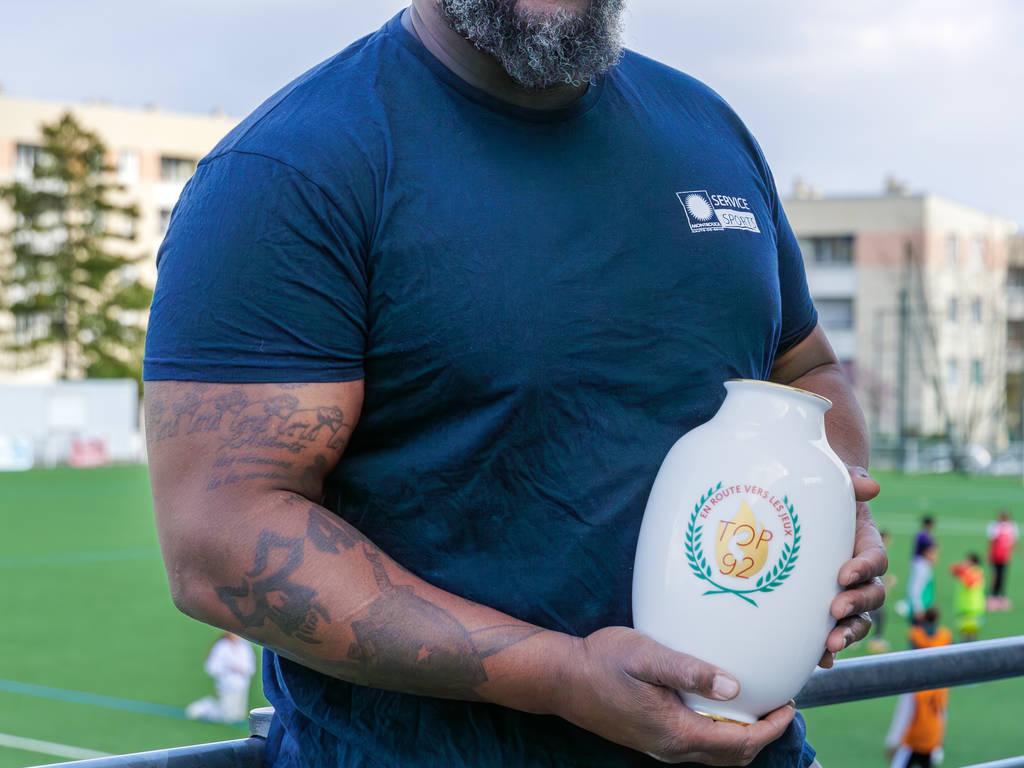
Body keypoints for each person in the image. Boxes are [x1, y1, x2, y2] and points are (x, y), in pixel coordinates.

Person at [142, 2, 887, 766]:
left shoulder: (710, 131)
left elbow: (805, 369)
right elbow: (218, 540)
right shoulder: (290, 170)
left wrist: (837, 506)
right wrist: (558, 677)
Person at [884, 608, 951, 768]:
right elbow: (942, 712)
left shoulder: (916, 634)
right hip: (932, 739)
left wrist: (892, 742)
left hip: (912, 741)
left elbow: (904, 715)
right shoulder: (944, 636)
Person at [185, 632, 256, 723]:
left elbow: (250, 667)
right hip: (226, 685)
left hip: (241, 686)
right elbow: (211, 667)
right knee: (227, 717)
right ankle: (204, 707)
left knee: (238, 716)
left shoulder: (244, 646)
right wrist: (229, 668)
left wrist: (241, 669)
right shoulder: (222, 647)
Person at [987, 509, 1019, 610]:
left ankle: (1001, 596)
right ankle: (992, 595)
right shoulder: (995, 526)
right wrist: (989, 554)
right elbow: (991, 541)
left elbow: (1013, 542)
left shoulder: (1012, 527)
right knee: (995, 575)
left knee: (1003, 576)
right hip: (995, 555)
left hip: (1005, 556)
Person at [949, 553, 985, 642]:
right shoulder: (966, 571)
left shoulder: (977, 572)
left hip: (973, 610)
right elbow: (952, 570)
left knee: (971, 637)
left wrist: (963, 570)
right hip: (964, 609)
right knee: (963, 635)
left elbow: (970, 583)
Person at [906, 542, 938, 627]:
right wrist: (918, 610)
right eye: (933, 553)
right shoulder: (922, 568)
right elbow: (914, 589)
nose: (936, 557)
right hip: (922, 613)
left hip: (924, 610)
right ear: (926, 553)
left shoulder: (924, 566)